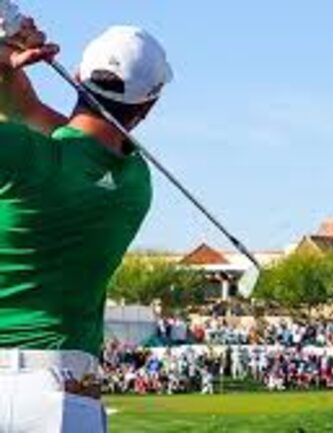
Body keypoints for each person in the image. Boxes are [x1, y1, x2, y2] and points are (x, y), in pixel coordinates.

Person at [0, 12, 172, 433]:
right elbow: (36, 116)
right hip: (68, 393)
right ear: (147, 107)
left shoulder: (20, 154)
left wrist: (6, 55)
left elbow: (25, 112)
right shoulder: (136, 182)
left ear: (76, 77)